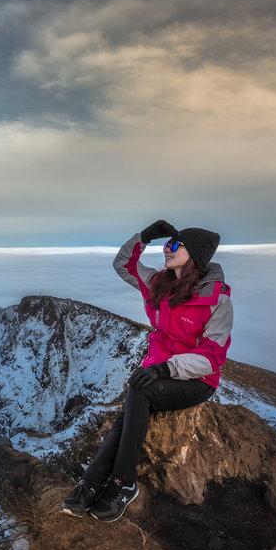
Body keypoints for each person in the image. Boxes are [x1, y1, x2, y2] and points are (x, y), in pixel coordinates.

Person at [61, 219, 233, 522]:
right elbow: (123, 264)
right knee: (129, 410)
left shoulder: (217, 301)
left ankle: (122, 483)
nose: (168, 248)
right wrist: (145, 236)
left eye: (176, 244)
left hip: (196, 379)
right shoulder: (159, 284)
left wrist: (167, 369)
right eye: (168, 243)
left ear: (194, 255)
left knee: (138, 392)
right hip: (157, 372)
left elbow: (211, 359)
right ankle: (91, 483)